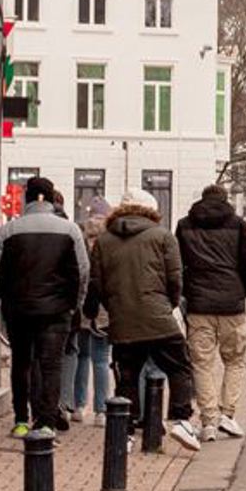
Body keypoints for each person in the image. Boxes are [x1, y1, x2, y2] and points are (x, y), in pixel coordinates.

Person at [88, 188, 203, 451]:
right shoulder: (162, 236)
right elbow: (175, 279)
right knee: (180, 366)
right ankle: (181, 419)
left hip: (122, 319)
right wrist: (169, 304)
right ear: (151, 210)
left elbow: (98, 283)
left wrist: (110, 308)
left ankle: (126, 433)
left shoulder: (104, 241)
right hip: (158, 316)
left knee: (127, 376)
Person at [0, 175, 89, 437]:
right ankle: (47, 422)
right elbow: (83, 272)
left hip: (19, 310)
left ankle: (20, 420)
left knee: (22, 363)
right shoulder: (70, 230)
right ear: (52, 199)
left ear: (27, 198)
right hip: (57, 311)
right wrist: (75, 305)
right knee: (51, 364)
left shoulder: (9, 230)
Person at [176, 184, 246, 440]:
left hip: (199, 303)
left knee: (202, 363)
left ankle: (208, 420)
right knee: (234, 361)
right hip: (231, 303)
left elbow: (177, 263)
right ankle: (227, 414)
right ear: (225, 199)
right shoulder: (236, 224)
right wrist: (243, 290)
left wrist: (187, 291)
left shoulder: (185, 225)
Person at [63, 206, 113, 422]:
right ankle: (101, 410)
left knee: (81, 356)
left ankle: (77, 406)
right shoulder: (111, 242)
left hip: (82, 305)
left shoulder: (79, 238)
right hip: (104, 307)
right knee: (101, 359)